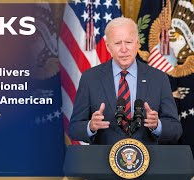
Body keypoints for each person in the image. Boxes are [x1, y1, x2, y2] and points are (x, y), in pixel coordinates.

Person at [68, 17, 182, 145]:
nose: (124, 49)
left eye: (128, 42)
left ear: (138, 43)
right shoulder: (90, 78)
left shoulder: (158, 78)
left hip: (148, 161)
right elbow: (74, 129)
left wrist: (157, 125)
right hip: (102, 161)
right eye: (117, 43)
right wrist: (91, 126)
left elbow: (176, 129)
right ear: (108, 46)